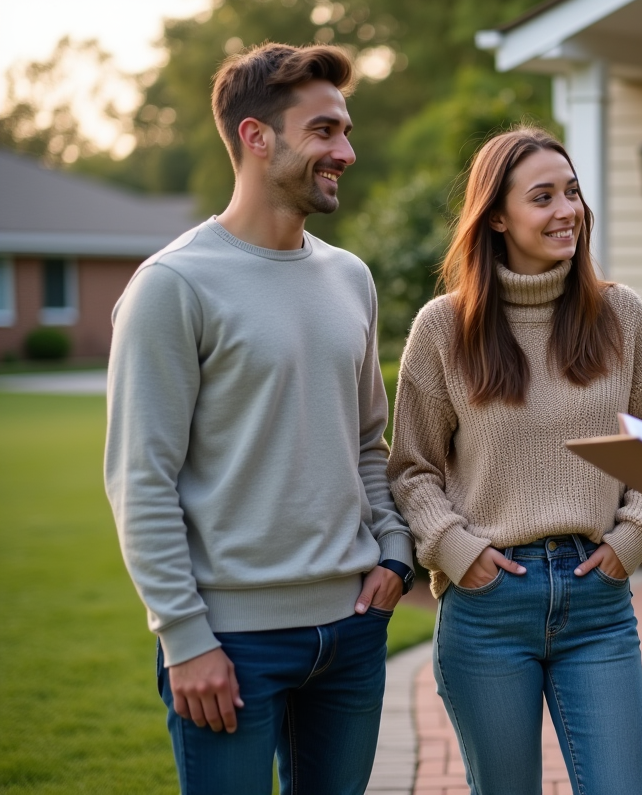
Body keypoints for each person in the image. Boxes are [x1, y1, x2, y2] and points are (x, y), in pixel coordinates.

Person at [104, 43, 415, 795]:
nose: (345, 150)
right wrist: (185, 639)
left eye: (345, 130)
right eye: (324, 131)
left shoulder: (351, 278)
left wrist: (395, 547)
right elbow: (141, 482)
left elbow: (368, 442)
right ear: (256, 136)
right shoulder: (173, 286)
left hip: (350, 632)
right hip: (230, 645)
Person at [386, 125, 642, 795]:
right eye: (542, 197)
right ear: (496, 218)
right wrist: (456, 552)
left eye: (571, 192)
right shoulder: (443, 330)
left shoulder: (620, 316)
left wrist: (633, 538)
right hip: (489, 607)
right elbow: (411, 469)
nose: (566, 210)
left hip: (598, 603)